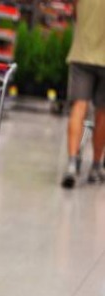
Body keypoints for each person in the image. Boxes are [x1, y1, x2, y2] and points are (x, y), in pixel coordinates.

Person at [61, 0, 105, 189]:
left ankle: (72, 163)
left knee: (79, 107)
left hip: (81, 53)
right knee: (102, 113)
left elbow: (76, 15)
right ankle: (96, 166)